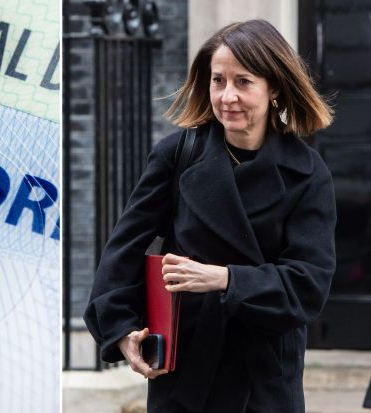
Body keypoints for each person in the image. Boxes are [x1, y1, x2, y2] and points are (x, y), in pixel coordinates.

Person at [83, 19, 336, 413]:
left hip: (265, 378)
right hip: (186, 370)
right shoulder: (176, 155)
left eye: (244, 82)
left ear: (274, 89)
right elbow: (122, 251)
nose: (227, 96)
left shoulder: (307, 172)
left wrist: (224, 279)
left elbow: (309, 286)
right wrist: (121, 331)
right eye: (218, 81)